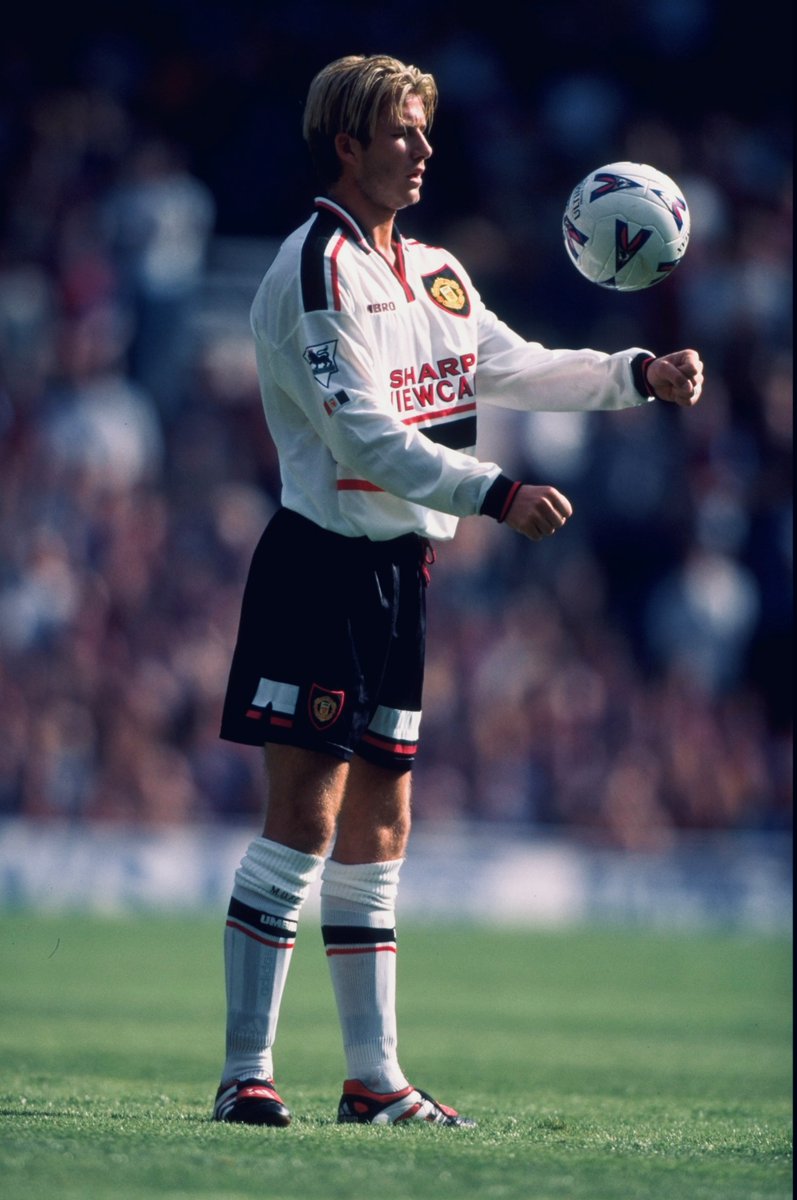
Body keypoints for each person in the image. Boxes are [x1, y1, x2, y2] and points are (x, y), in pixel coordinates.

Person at [212, 53, 704, 1129]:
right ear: (347, 143)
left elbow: (512, 366)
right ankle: (245, 1069)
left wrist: (634, 373)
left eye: (425, 130)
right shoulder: (313, 271)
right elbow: (362, 437)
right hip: (319, 567)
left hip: (401, 574)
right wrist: (496, 492)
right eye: (401, 132)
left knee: (381, 826)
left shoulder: (432, 269)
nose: (424, 150)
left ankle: (372, 1079)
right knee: (303, 817)